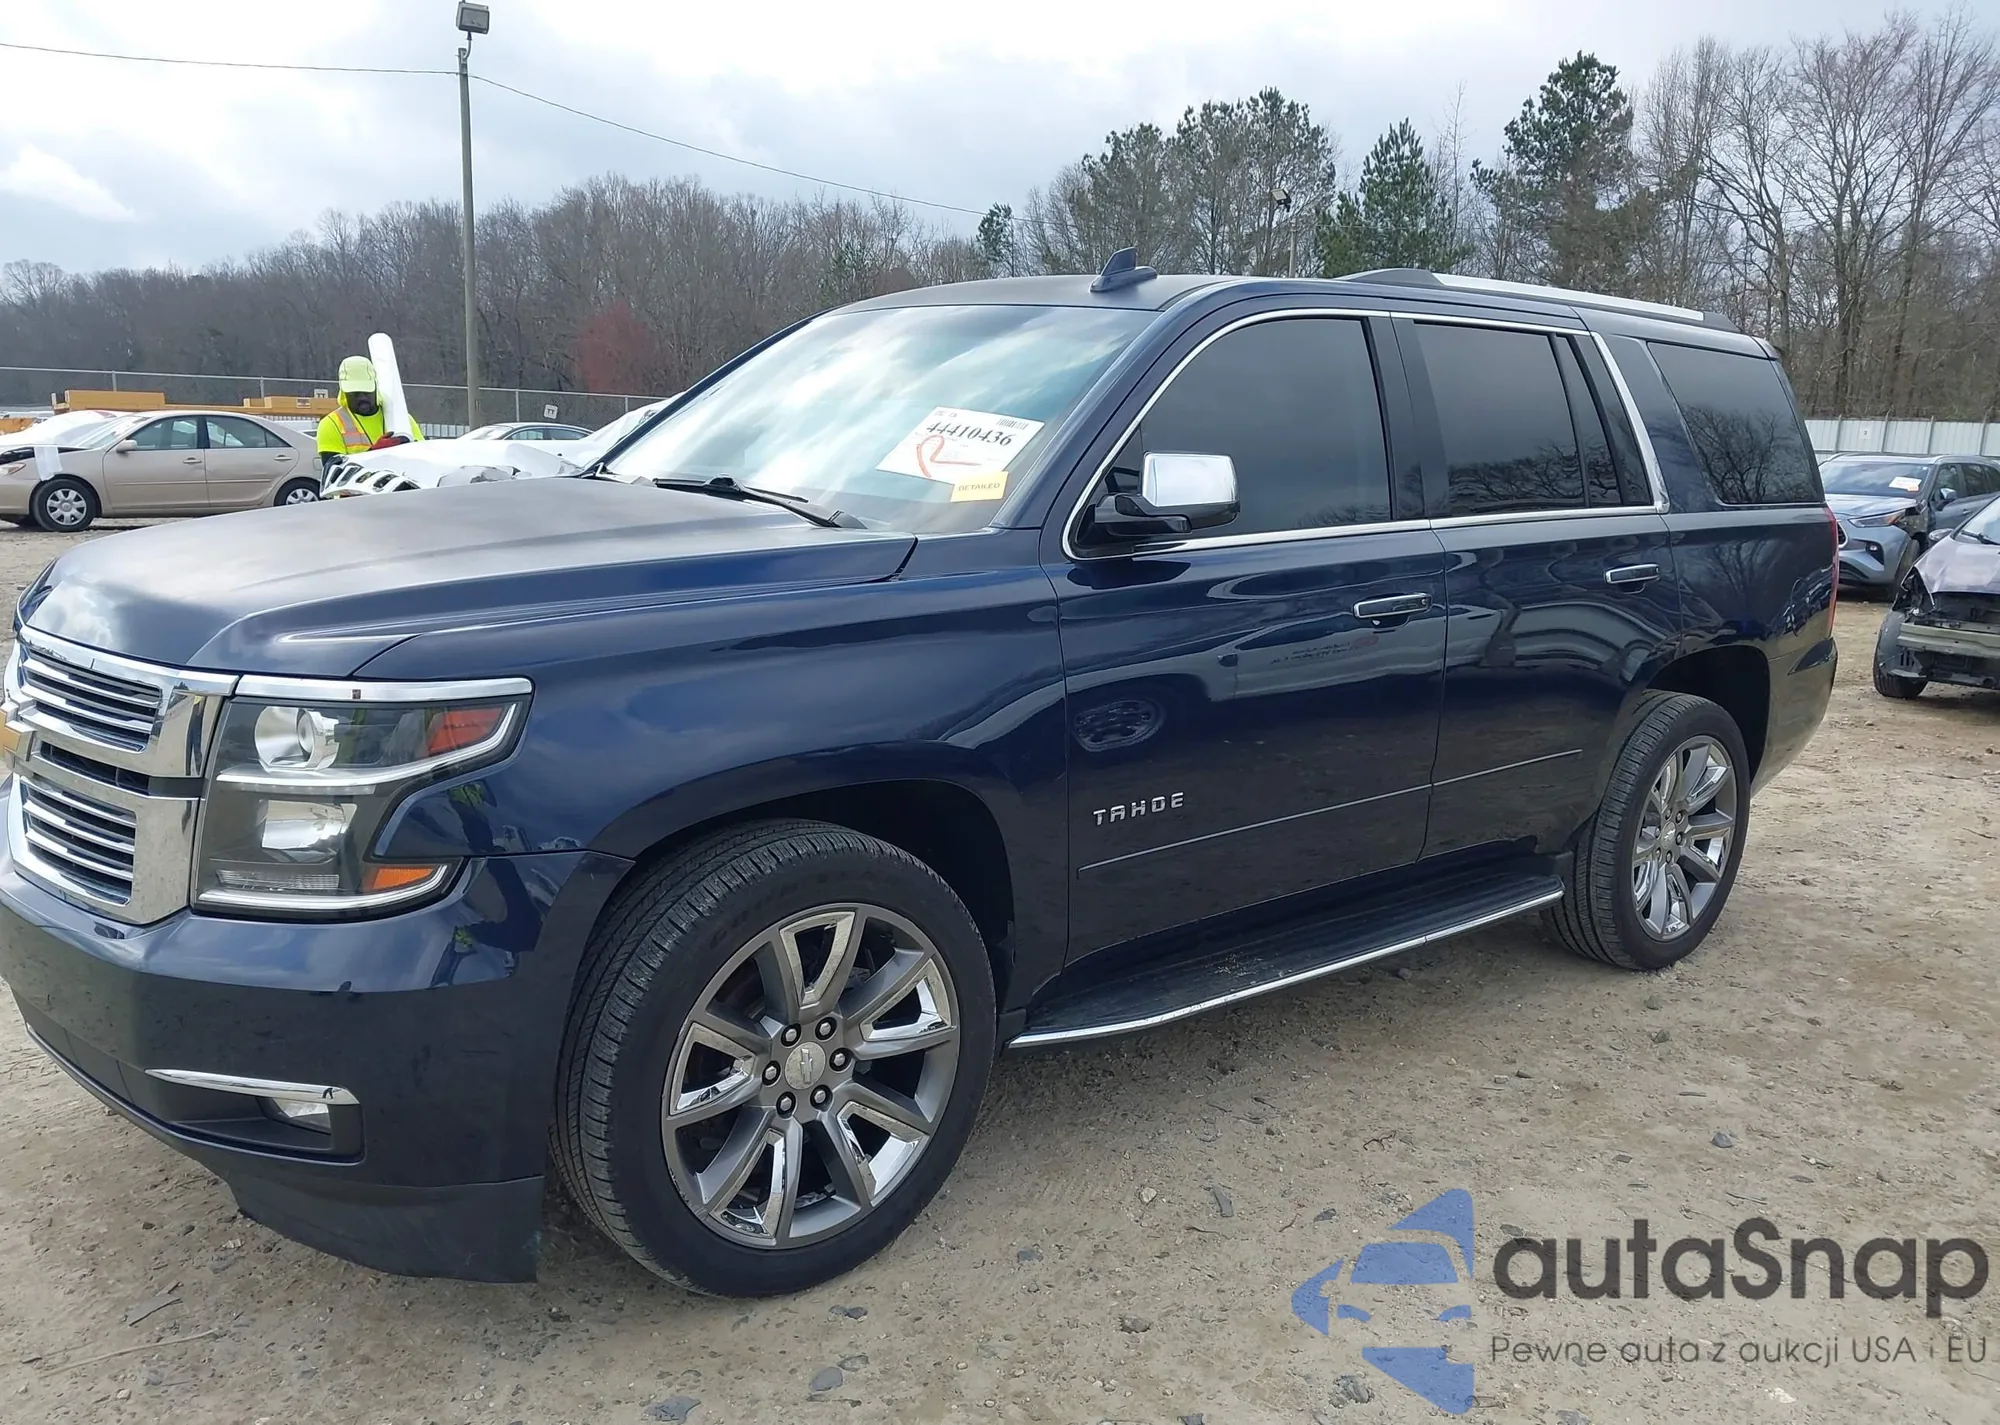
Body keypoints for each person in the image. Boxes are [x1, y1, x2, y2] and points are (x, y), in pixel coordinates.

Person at [316, 355, 423, 473]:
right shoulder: (331, 425)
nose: (362, 397)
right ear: (343, 392)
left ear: (376, 386)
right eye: (355, 393)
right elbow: (333, 475)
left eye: (366, 391)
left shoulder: (401, 419)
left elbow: (422, 460)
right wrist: (374, 453)